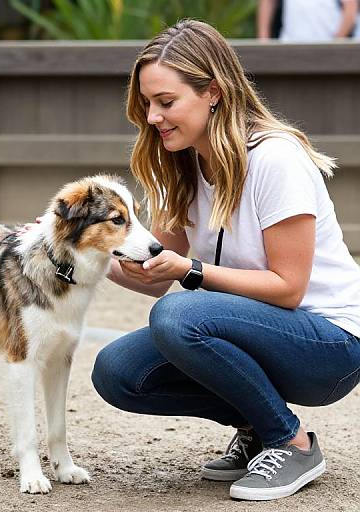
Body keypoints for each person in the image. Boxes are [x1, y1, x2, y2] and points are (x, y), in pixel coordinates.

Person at [89, 19, 360, 501]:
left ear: (213, 91)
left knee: (178, 315)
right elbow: (153, 276)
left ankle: (291, 443)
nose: (153, 117)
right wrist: (69, 256)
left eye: (166, 102)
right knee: (118, 372)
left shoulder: (275, 158)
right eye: (147, 104)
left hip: (330, 345)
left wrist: (191, 271)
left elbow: (289, 288)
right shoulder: (185, 163)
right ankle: (258, 428)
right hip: (260, 331)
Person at [257, 0, 358, 41]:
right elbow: (268, 2)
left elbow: (350, 10)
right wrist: (263, 39)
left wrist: (335, 44)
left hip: (326, 46)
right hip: (288, 45)